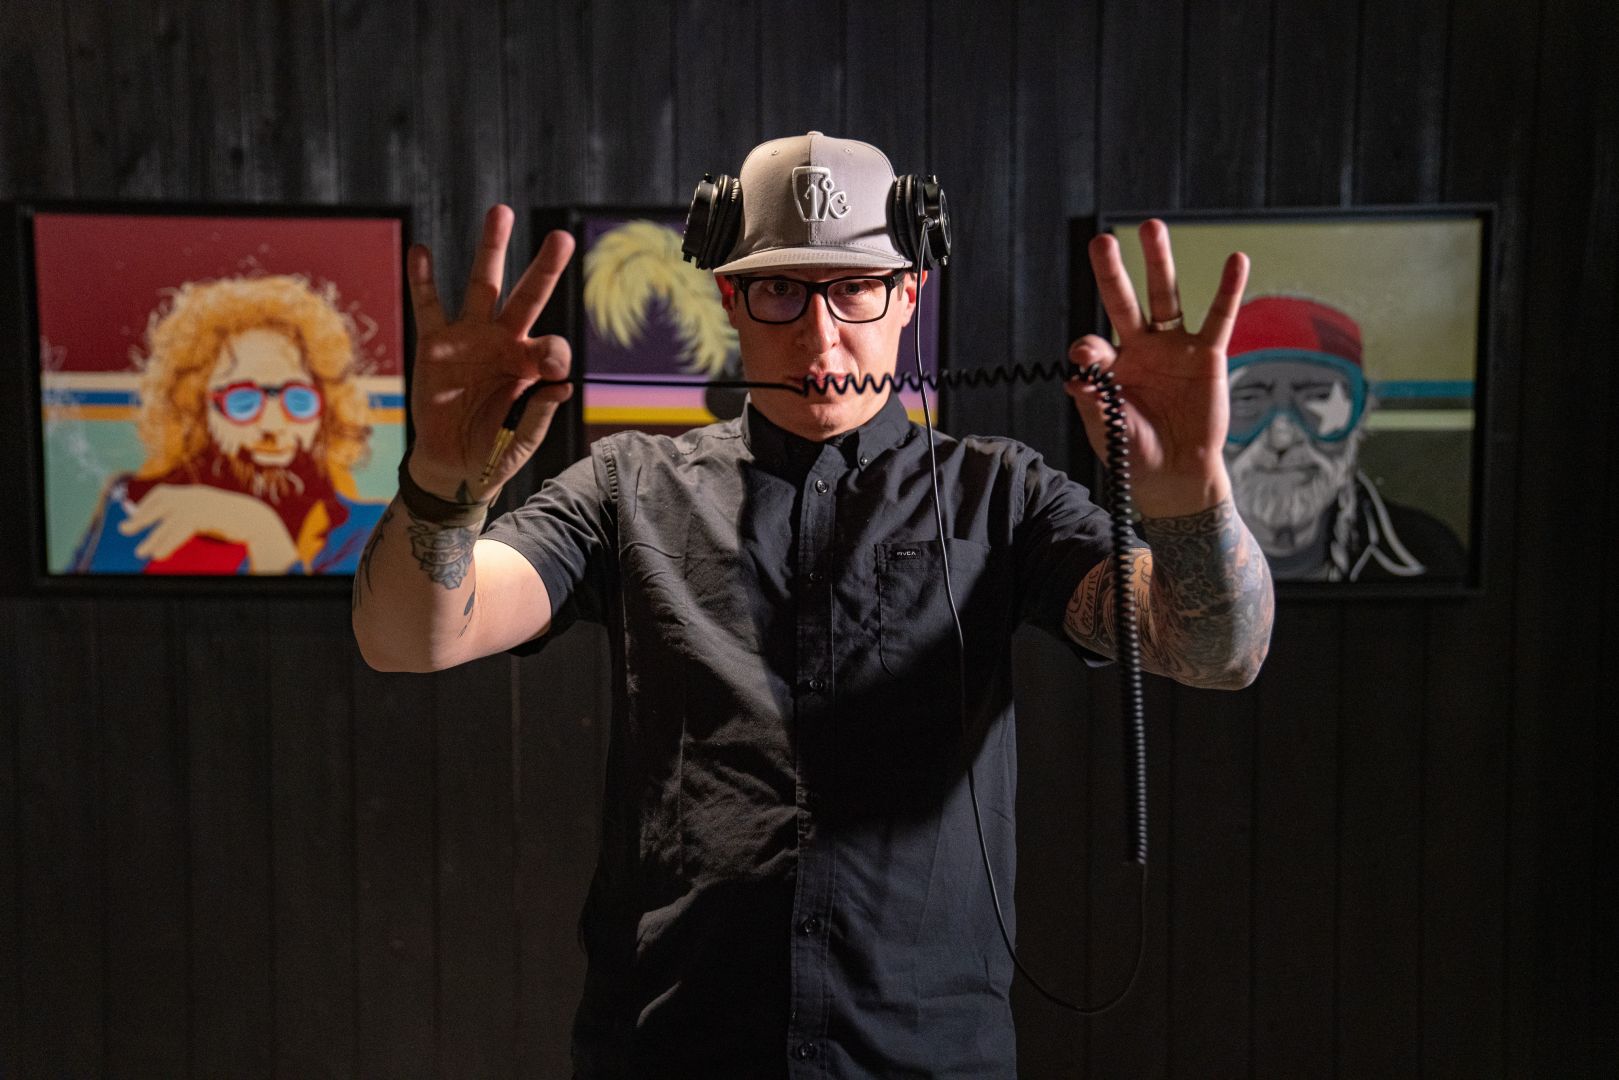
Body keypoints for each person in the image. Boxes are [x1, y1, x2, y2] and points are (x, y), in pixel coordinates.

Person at [351, 132, 1275, 1077]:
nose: (820, 334)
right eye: (781, 291)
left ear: (910, 292)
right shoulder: (627, 487)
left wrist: (1188, 499)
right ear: (730, 297)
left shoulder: (1002, 497)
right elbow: (410, 638)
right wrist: (439, 484)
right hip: (670, 1054)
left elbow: (1213, 651)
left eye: (855, 289)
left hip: (924, 1060)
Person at [71, 274, 385, 575]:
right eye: (243, 401)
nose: (273, 425)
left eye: (298, 400)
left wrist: (262, 532)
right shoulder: (134, 507)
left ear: (326, 412)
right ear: (195, 410)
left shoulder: (364, 530)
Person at [1223, 295, 1466, 581]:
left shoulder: (1428, 554)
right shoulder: (1169, 555)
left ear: (1362, 411)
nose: (1282, 438)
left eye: (1318, 397)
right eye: (1247, 400)